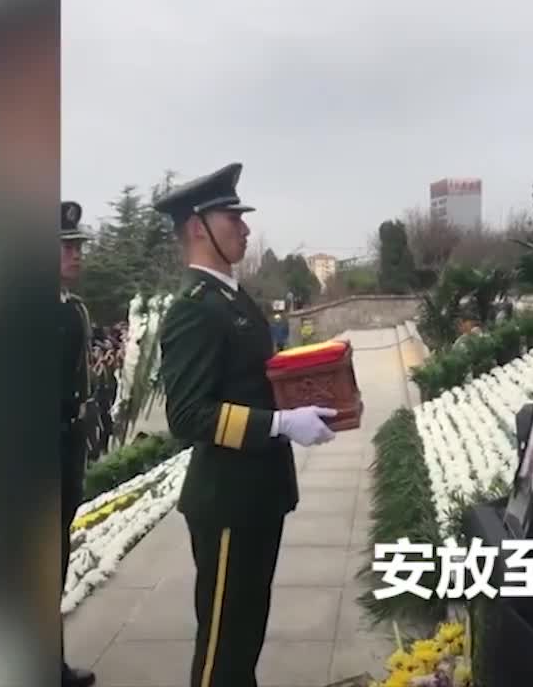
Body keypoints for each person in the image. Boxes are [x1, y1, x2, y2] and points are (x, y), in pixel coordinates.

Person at [154, 162, 338, 687]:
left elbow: (254, 378)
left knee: (246, 635)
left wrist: (313, 384)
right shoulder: (194, 309)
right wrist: (279, 424)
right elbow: (188, 414)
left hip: (257, 493)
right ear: (198, 227)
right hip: (228, 501)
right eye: (232, 218)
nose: (245, 228)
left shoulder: (230, 297)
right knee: (224, 648)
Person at [58, 200, 97, 687]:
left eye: (78, 246)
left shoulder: (72, 308)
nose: (76, 254)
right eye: (67, 247)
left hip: (66, 447)